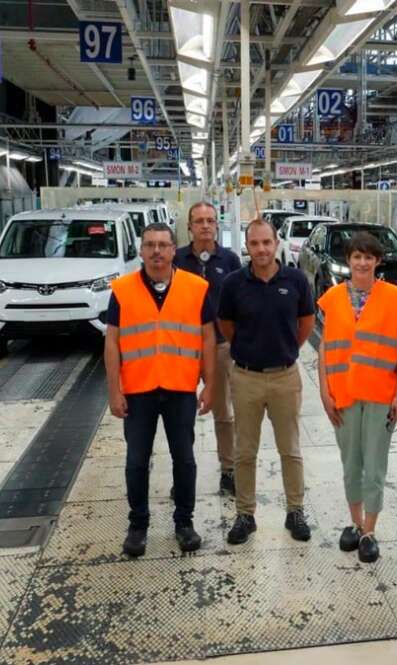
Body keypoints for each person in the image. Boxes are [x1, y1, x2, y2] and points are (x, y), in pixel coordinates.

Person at [104, 222, 216, 557]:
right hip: (138, 391)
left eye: (163, 245)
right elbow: (112, 342)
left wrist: (210, 384)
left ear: (173, 249)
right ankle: (138, 525)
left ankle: (184, 522)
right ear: (141, 251)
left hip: (180, 389)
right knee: (136, 461)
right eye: (150, 245)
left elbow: (208, 336)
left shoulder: (196, 288)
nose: (156, 252)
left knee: (185, 460)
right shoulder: (122, 290)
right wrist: (114, 389)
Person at [218, 218, 315, 545]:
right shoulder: (233, 283)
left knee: (290, 449)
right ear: (247, 246)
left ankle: (296, 510)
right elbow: (227, 325)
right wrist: (251, 352)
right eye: (254, 243)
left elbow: (306, 323)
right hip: (245, 377)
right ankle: (245, 514)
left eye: (266, 243)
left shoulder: (297, 279)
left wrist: (285, 349)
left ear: (276, 244)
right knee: (244, 451)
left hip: (285, 377)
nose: (261, 249)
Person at [317, 231, 397, 564]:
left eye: (368, 257)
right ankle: (354, 524)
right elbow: (325, 348)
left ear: (377, 261)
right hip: (343, 393)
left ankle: (370, 531)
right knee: (350, 464)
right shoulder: (332, 298)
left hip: (381, 394)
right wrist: (325, 394)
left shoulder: (395, 297)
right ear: (349, 260)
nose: (362, 262)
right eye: (356, 256)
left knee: (375, 467)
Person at [174, 201, 241, 495]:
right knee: (181, 414)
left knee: (224, 413)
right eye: (199, 220)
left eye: (210, 220)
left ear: (217, 225)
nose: (205, 225)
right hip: (184, 349)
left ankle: (228, 470)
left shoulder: (230, 261)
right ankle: (183, 473)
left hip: (221, 348)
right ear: (189, 226)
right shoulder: (176, 260)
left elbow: (241, 304)